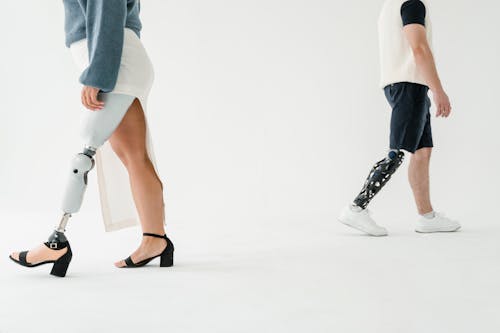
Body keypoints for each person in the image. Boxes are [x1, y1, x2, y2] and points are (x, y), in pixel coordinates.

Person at [9, 0, 174, 277]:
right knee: (134, 156)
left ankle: (56, 242)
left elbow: (108, 9)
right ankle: (155, 240)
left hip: (114, 64)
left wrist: (98, 74)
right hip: (120, 59)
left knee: (83, 158)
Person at [338, 0, 461, 236]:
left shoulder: (391, 5)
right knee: (398, 152)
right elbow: (419, 48)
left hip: (410, 84)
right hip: (409, 84)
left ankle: (426, 217)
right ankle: (357, 207)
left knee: (422, 151)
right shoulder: (411, 3)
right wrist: (438, 90)